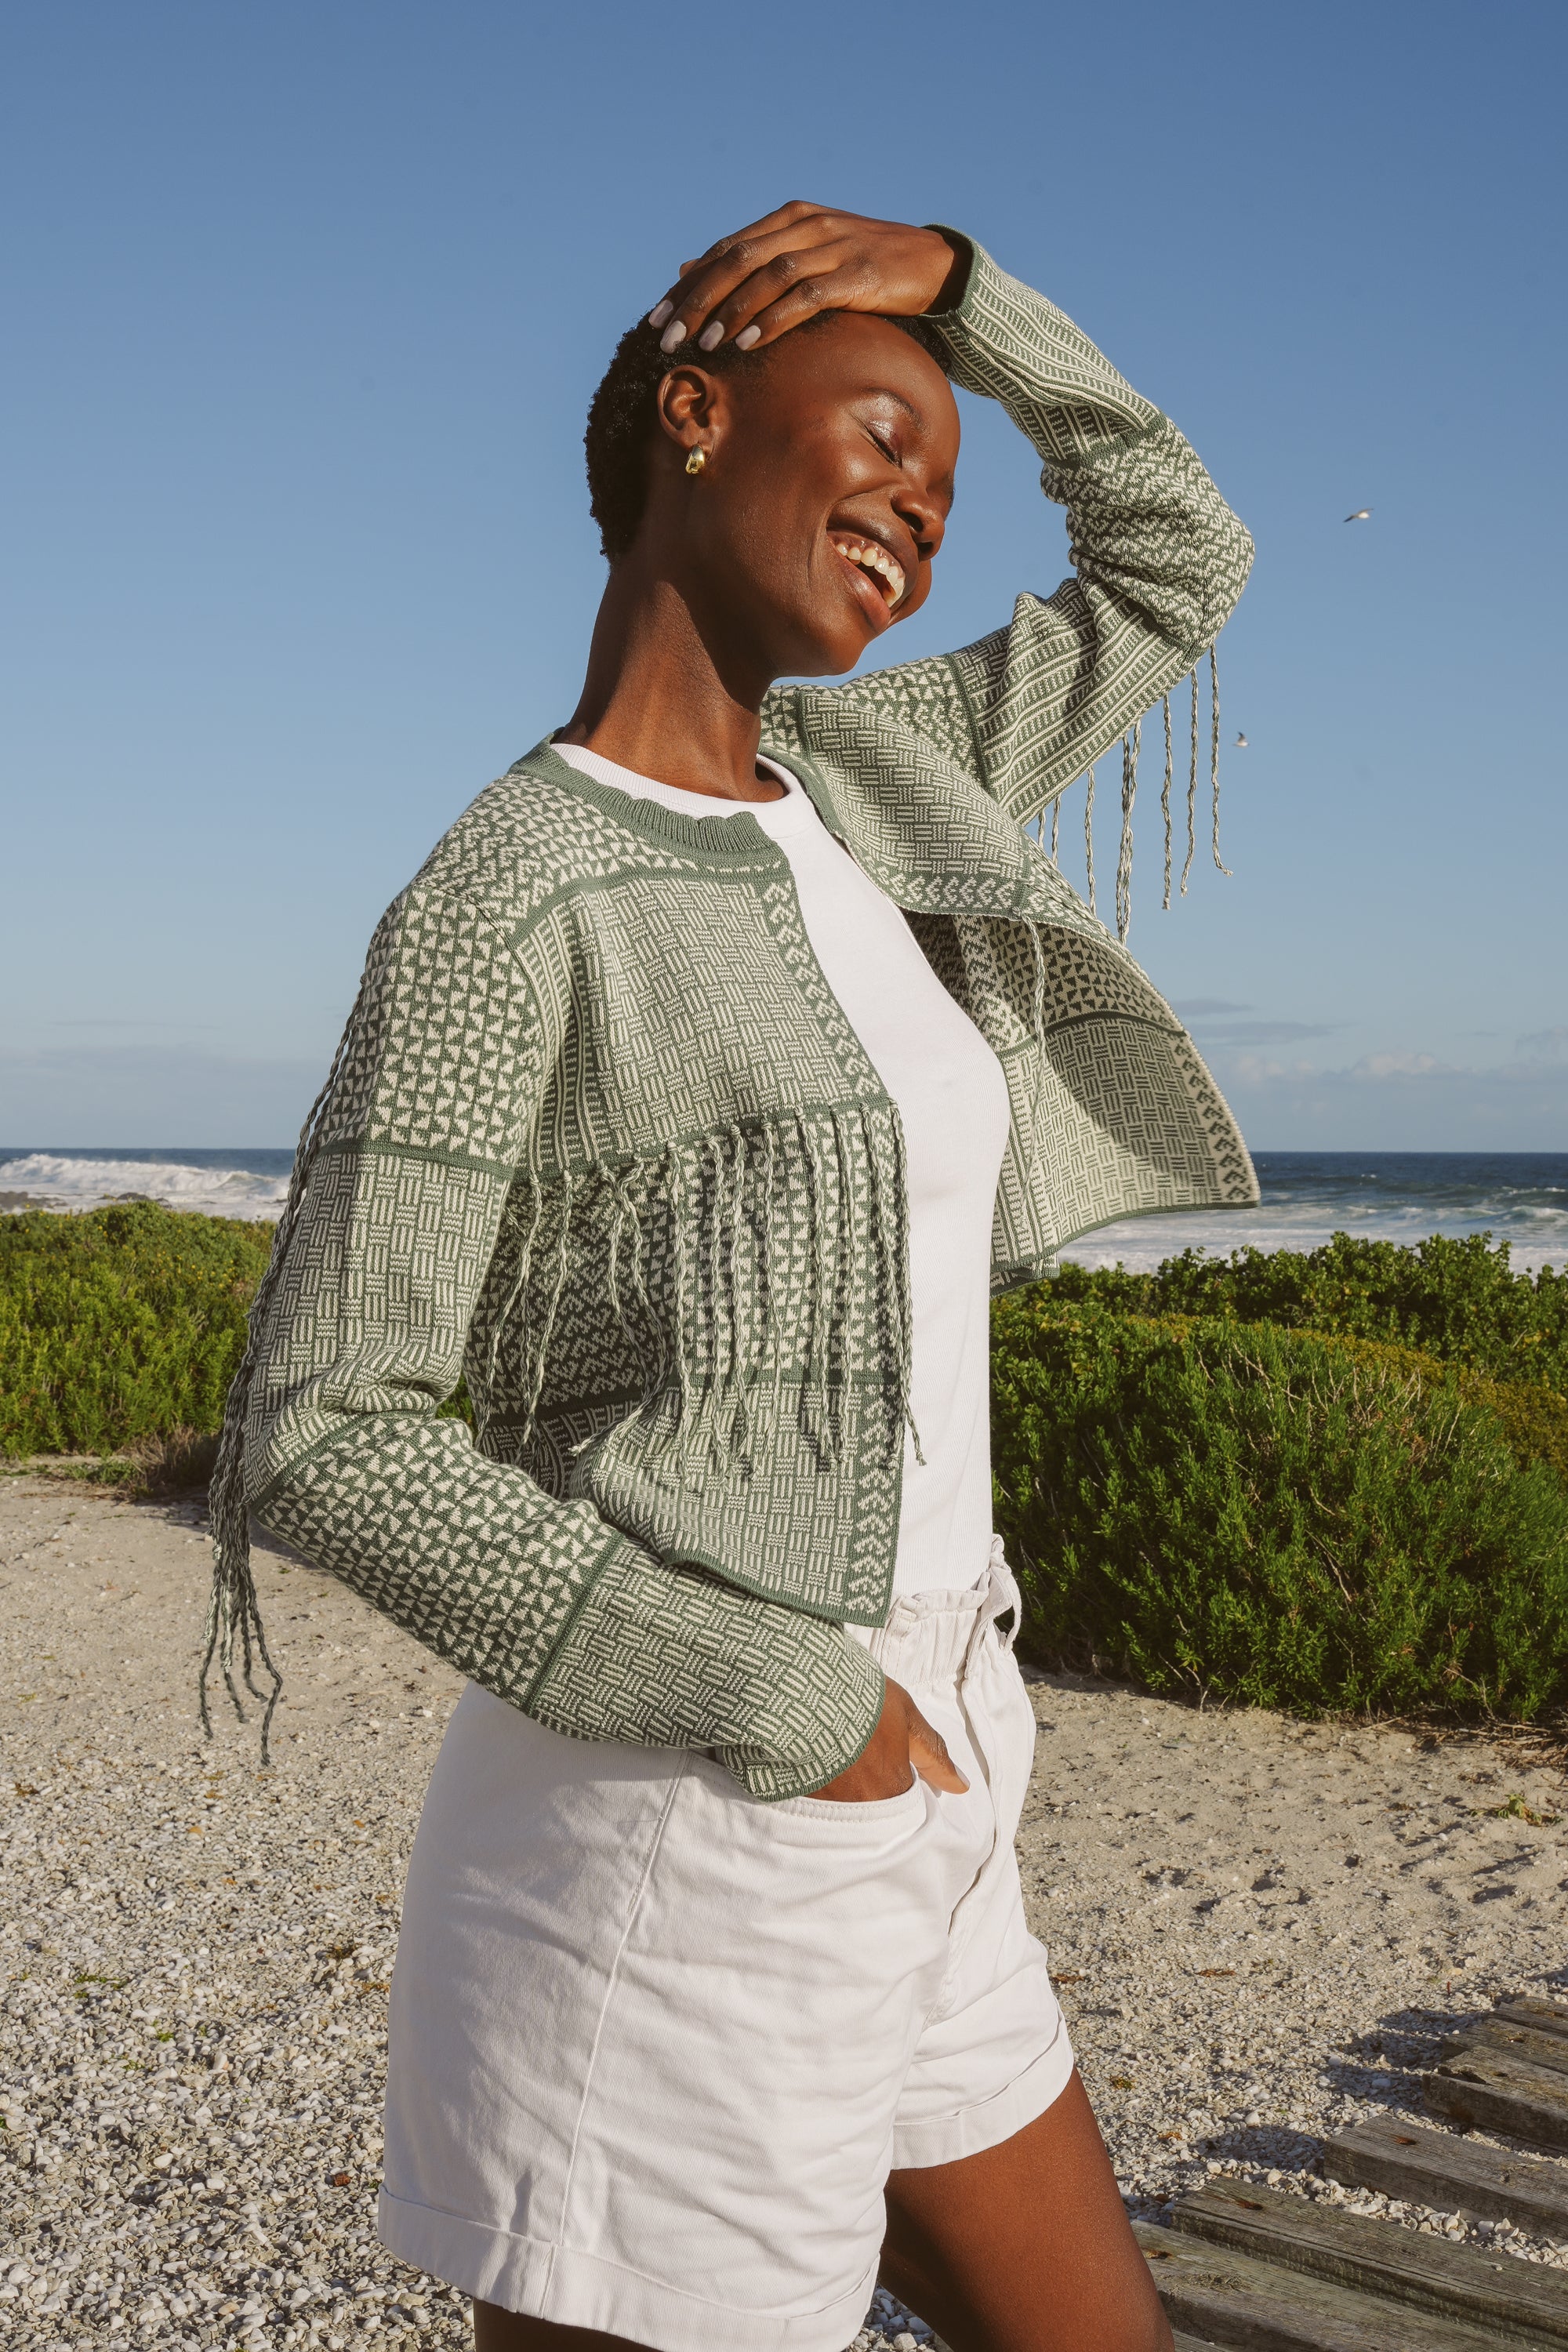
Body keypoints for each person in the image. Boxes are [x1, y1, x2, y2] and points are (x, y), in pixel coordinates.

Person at [205, 203, 1255, 2352]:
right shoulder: (513, 894)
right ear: (698, 417)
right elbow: (325, 1432)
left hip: (943, 1767)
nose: (914, 516)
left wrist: (961, 290)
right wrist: (788, 1697)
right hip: (681, 1841)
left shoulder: (880, 777)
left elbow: (1177, 554)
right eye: (880, 437)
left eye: (946, 490)